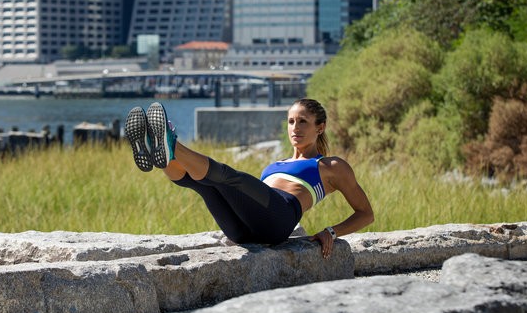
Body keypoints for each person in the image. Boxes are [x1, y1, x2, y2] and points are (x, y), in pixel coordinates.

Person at [124, 99, 374, 258]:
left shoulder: (329, 165)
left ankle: (171, 144)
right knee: (206, 185)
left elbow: (365, 213)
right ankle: (162, 157)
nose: (295, 128)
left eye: (303, 122)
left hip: (280, 218)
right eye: (291, 121)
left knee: (228, 177)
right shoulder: (275, 165)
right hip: (244, 233)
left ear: (320, 127)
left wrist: (331, 231)